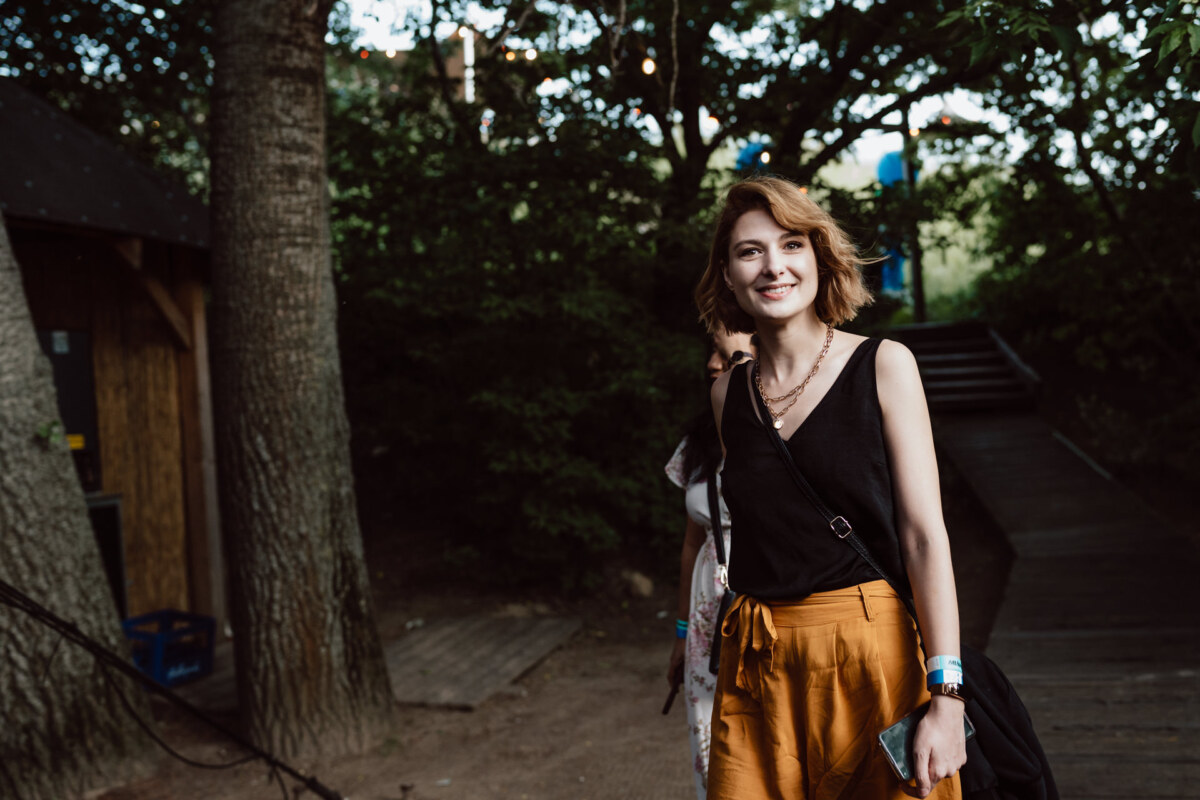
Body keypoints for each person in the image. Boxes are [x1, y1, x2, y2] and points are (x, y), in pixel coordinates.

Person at [694, 176, 967, 800]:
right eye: (749, 251)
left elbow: (925, 538)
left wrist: (947, 696)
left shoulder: (884, 364)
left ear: (819, 256)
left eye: (791, 245)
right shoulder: (725, 395)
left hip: (869, 649)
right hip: (757, 659)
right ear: (728, 275)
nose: (773, 267)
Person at [664, 329, 754, 800]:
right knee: (708, 729)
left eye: (728, 354)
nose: (713, 365)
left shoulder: (785, 432)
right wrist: (681, 633)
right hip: (705, 608)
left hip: (767, 597)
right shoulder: (698, 443)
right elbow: (688, 545)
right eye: (712, 355)